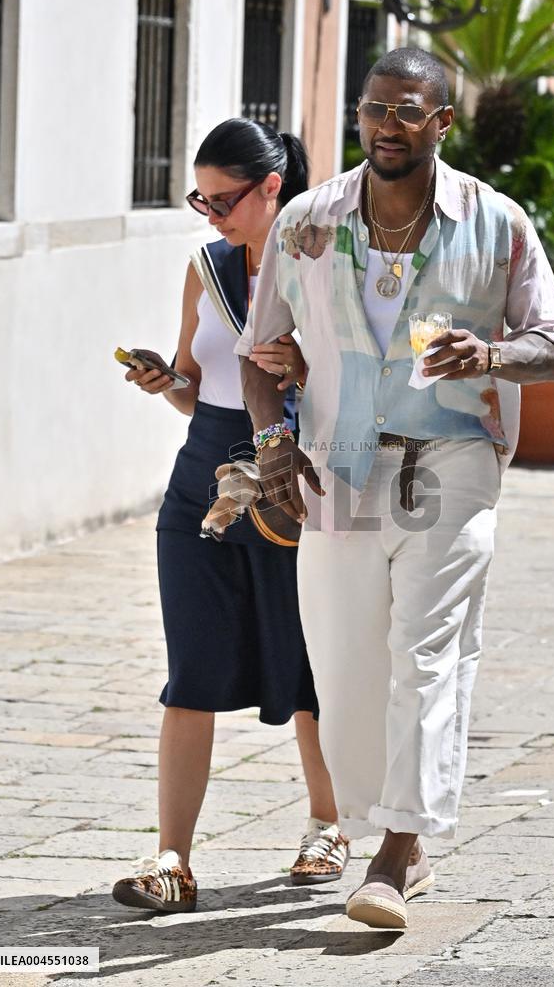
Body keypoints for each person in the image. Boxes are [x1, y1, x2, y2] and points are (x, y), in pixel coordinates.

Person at [237, 48, 554, 930]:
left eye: (406, 110)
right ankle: (385, 831)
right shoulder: (307, 222)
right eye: (372, 109)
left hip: (451, 464)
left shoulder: (494, 223)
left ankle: (395, 850)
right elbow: (261, 353)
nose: (386, 126)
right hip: (340, 466)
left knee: (425, 655)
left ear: (441, 122)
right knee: (347, 666)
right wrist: (272, 448)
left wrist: (491, 354)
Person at [111, 119, 349, 914]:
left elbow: (360, 381)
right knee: (191, 669)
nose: (210, 216)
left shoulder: (325, 265)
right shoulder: (206, 268)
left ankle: (328, 824)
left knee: (308, 665)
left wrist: (304, 370)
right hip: (202, 483)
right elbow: (194, 384)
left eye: (223, 201)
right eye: (201, 200)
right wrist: (165, 381)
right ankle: (171, 860)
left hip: (293, 482)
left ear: (271, 187)